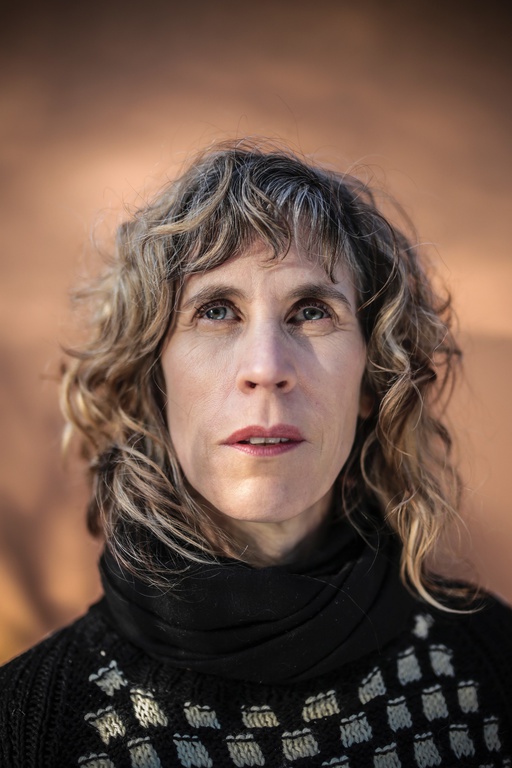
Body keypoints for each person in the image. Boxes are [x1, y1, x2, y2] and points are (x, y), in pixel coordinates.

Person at [1, 140, 511, 767]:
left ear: (372, 380)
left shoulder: (493, 667)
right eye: (216, 311)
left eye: (311, 312)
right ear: (153, 380)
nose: (267, 368)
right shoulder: (33, 726)